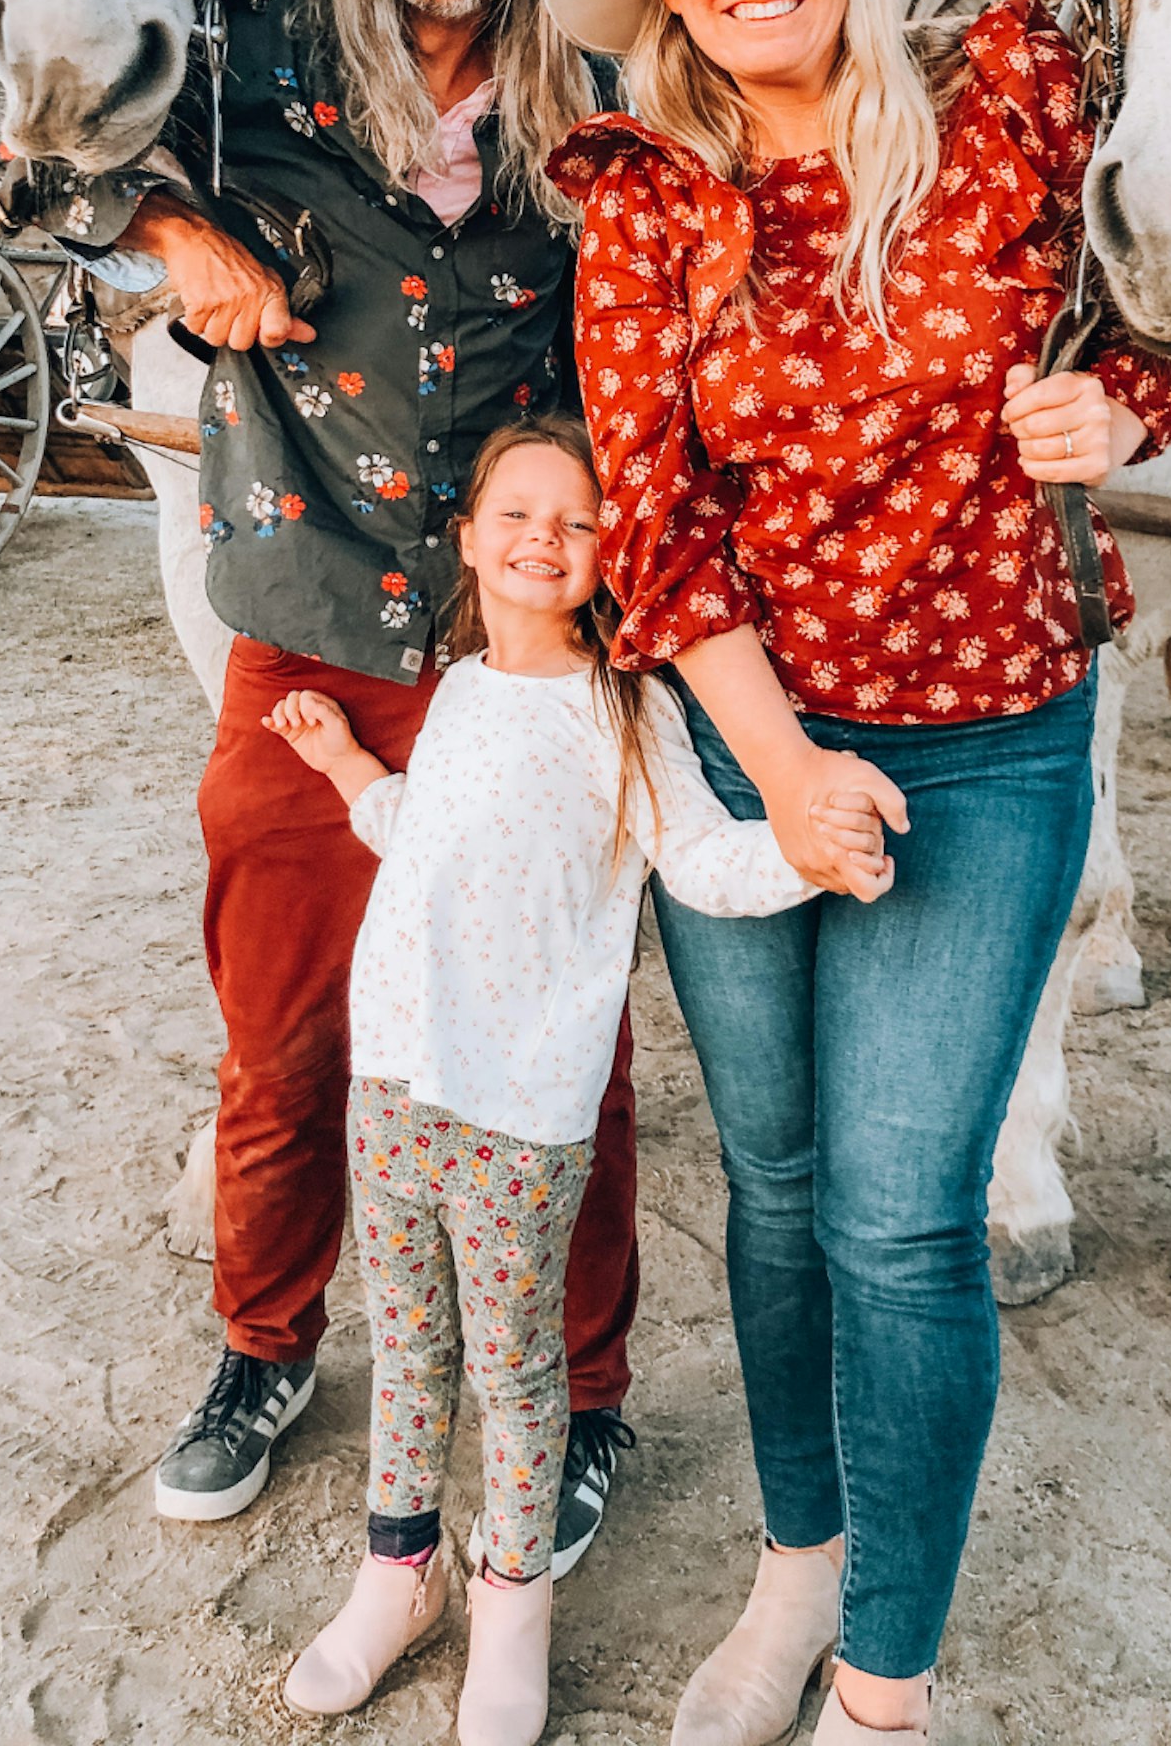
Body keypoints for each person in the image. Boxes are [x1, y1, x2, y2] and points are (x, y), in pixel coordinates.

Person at [540, 0, 1171, 1741]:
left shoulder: (1012, 101)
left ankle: (886, 1679)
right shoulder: (647, 193)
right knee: (771, 1178)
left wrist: (1125, 404)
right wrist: (784, 767)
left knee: (902, 1213)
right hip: (749, 744)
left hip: (992, 741)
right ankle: (795, 1567)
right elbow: (652, 542)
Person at [0, 0, 649, 1547]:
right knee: (286, 1038)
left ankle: (584, 1402)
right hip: (302, 630)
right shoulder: (249, 50)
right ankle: (264, 1344)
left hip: (531, 656)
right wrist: (177, 236)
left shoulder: (595, 103)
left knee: (564, 1040)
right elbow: (6, 124)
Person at [266, 417, 879, 1745]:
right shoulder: (458, 687)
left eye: (579, 521)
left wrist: (807, 857)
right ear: (471, 539)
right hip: (395, 1086)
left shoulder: (627, 706)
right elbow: (423, 840)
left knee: (515, 1369)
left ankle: (511, 1606)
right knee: (410, 1348)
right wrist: (349, 770)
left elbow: (702, 859)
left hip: (519, 1111)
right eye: (518, 513)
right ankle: (396, 1573)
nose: (546, 535)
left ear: (610, 558)